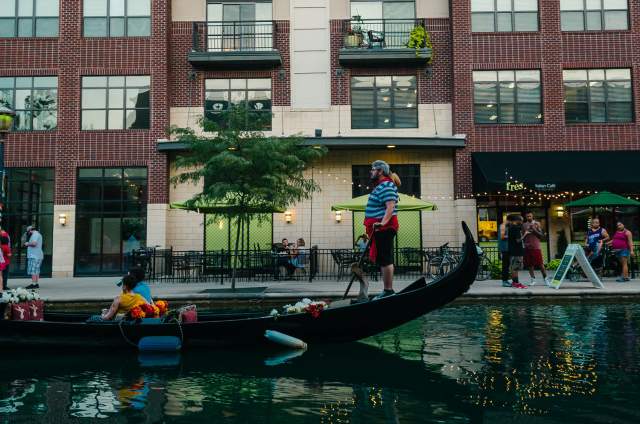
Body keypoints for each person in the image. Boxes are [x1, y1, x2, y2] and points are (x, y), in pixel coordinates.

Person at [364, 160, 400, 299]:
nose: (371, 172)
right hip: (381, 229)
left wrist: (382, 223)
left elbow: (390, 206)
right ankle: (387, 290)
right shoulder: (382, 185)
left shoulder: (386, 185)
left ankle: (388, 291)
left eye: (373, 169)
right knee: (384, 258)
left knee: (385, 258)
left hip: (385, 228)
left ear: (380, 171)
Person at [522, 212, 549, 286]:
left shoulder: (537, 224)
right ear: (526, 217)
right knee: (530, 265)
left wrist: (534, 229)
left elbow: (541, 236)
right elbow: (523, 236)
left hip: (536, 246)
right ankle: (533, 279)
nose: (529, 217)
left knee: (540, 264)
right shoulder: (524, 225)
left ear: (532, 216)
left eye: (530, 216)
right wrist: (525, 242)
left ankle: (546, 279)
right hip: (527, 247)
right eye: (527, 216)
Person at [507, 214, 527, 289]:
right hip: (517, 251)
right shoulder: (516, 228)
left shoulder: (510, 227)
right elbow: (518, 240)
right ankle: (517, 283)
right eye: (521, 220)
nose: (522, 222)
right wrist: (525, 234)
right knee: (515, 268)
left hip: (512, 250)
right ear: (517, 220)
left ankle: (514, 282)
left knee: (513, 267)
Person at [498, 216, 511, 287]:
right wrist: (511, 235)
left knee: (507, 265)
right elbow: (502, 236)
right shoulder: (503, 226)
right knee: (505, 265)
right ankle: (504, 281)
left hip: (506, 248)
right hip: (504, 248)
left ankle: (506, 280)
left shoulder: (505, 226)